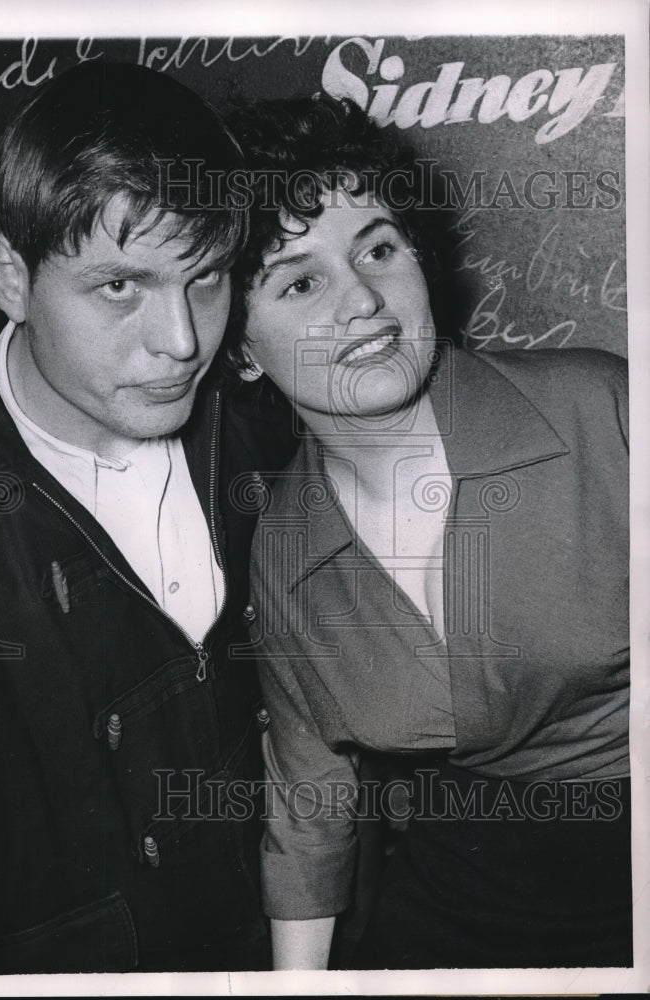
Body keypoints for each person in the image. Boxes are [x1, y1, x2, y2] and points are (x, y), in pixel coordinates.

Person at [0, 62, 289, 975]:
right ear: (9, 275)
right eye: (121, 287)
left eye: (206, 279)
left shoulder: (259, 430)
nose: (182, 341)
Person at [226, 96, 631, 970]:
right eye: (299, 281)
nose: (364, 299)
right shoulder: (285, 547)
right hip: (461, 901)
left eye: (377, 247)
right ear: (242, 350)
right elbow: (310, 802)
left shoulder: (603, 410)